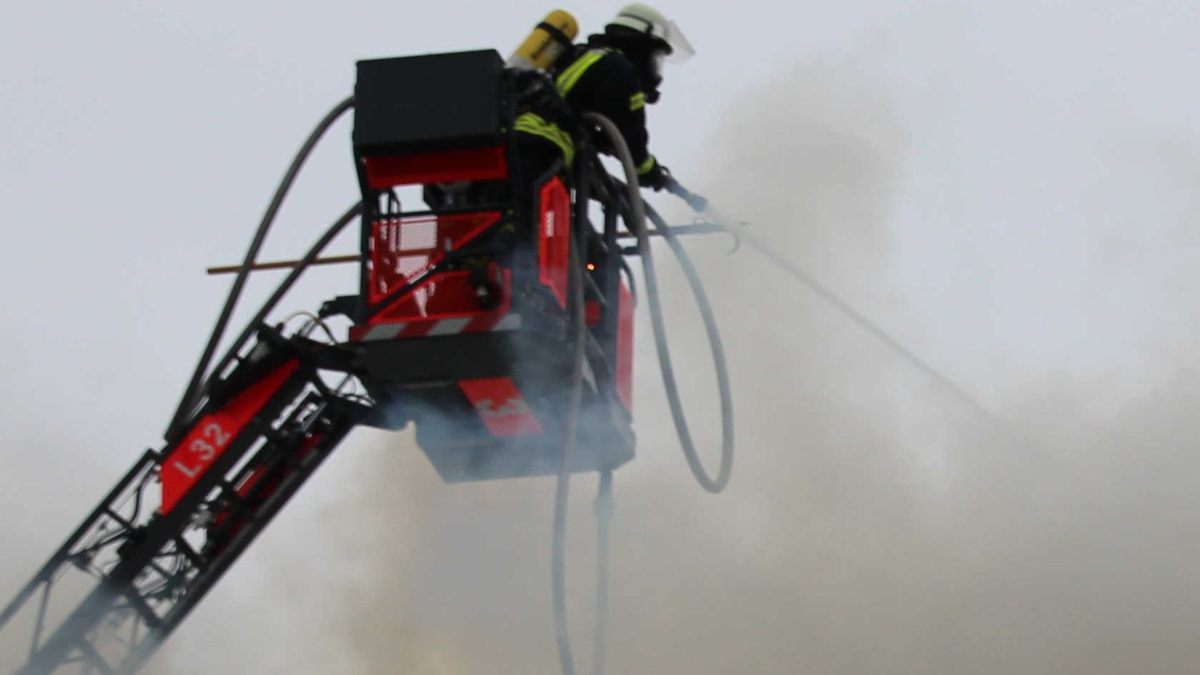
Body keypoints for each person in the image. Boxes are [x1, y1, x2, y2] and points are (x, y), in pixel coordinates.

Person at [515, 3, 694, 193]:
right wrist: (654, 175)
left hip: (519, 146)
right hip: (541, 152)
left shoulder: (584, 57)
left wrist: (600, 142)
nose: (655, 65)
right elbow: (632, 140)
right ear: (642, 43)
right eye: (655, 55)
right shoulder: (619, 68)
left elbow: (569, 111)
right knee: (536, 219)